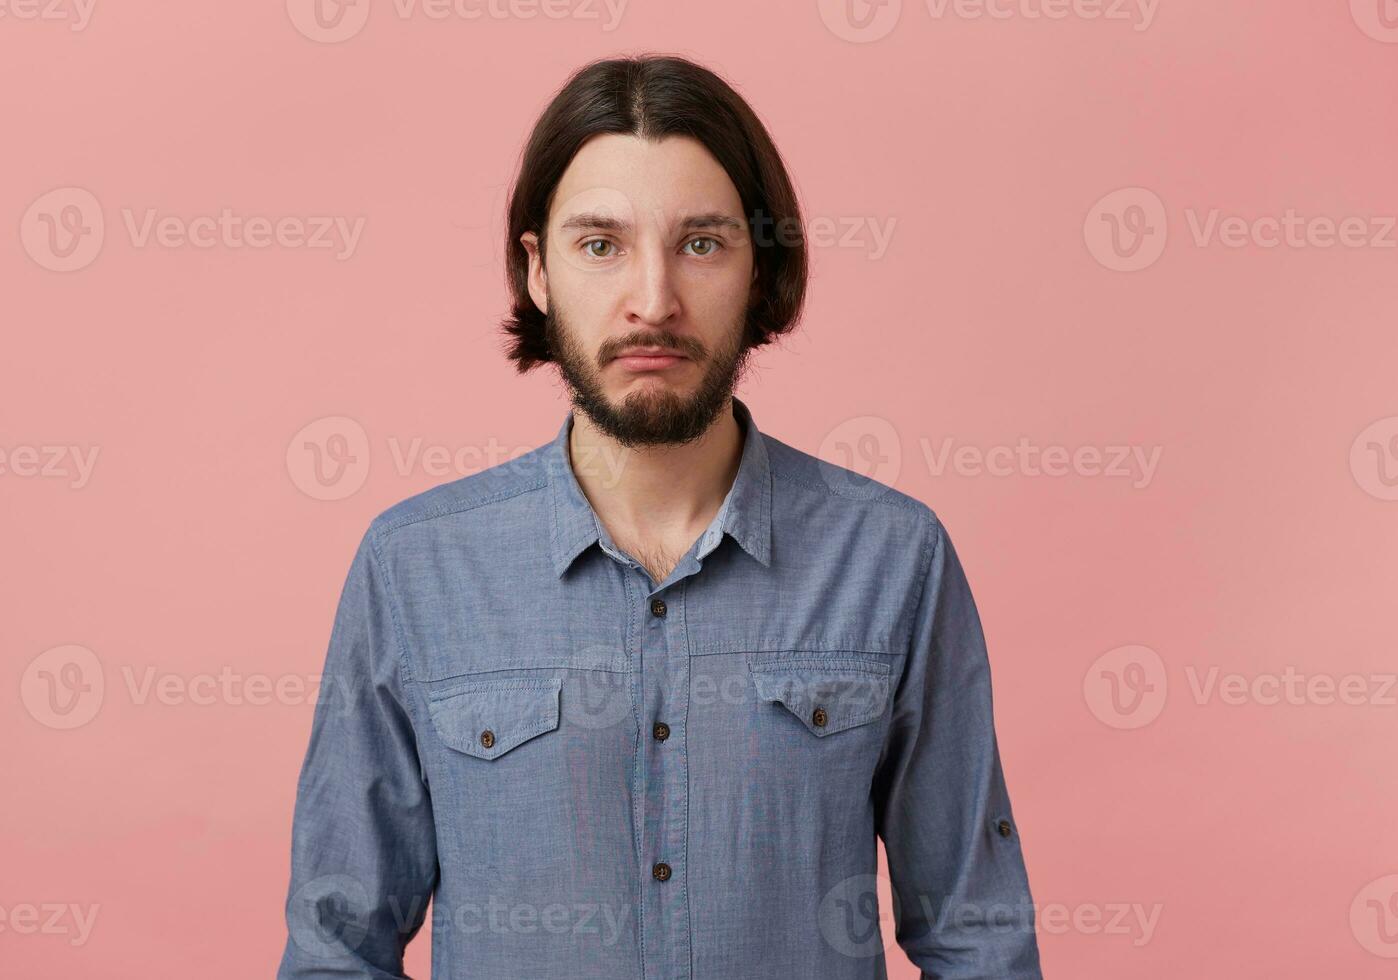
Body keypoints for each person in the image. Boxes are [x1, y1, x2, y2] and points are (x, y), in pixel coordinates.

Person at [278, 53, 1042, 980]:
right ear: (539, 272)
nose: (653, 301)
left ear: (761, 268)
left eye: (702, 242)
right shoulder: (414, 567)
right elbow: (337, 949)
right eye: (600, 244)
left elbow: (977, 937)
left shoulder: (892, 558)